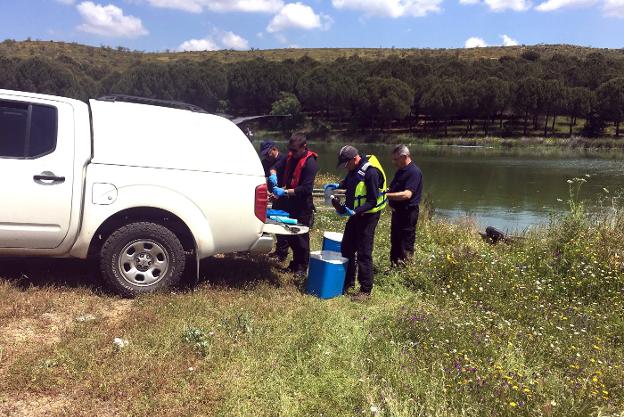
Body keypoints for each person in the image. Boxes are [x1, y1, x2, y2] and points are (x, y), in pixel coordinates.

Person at [324, 145, 387, 300]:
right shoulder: (354, 169)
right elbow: (350, 181)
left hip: (368, 216)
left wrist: (355, 211)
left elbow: (372, 200)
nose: (346, 167)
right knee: (346, 247)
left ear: (355, 158)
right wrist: (338, 185)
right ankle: (348, 282)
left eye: (346, 163)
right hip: (356, 215)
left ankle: (365, 290)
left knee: (364, 252)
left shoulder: (371, 173)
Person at [271, 133, 318, 277]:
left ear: (304, 147)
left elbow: (306, 189)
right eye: (290, 149)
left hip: (302, 205)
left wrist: (284, 191)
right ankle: (294, 264)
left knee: (301, 237)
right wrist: (273, 175)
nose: (292, 153)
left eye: (295, 150)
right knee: (290, 235)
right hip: (289, 203)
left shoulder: (310, 163)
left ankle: (302, 267)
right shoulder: (290, 156)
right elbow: (275, 167)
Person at [386, 144, 423, 266]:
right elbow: (392, 189)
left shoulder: (414, 172)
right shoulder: (400, 171)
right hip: (397, 212)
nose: (394, 162)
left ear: (404, 156)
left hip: (408, 213)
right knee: (395, 240)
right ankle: (393, 265)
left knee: (406, 242)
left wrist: (386, 196)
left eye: (396, 159)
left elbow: (407, 194)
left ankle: (405, 269)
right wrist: (384, 191)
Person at [259, 140, 289, 261]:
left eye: (268, 153)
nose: (267, 157)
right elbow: (262, 179)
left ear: (274, 149)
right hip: (273, 195)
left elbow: (292, 181)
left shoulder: (286, 160)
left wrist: (281, 191)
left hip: (286, 195)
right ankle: (279, 251)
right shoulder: (265, 163)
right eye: (264, 154)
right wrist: (267, 192)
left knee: (283, 224)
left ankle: (282, 253)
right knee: (276, 223)